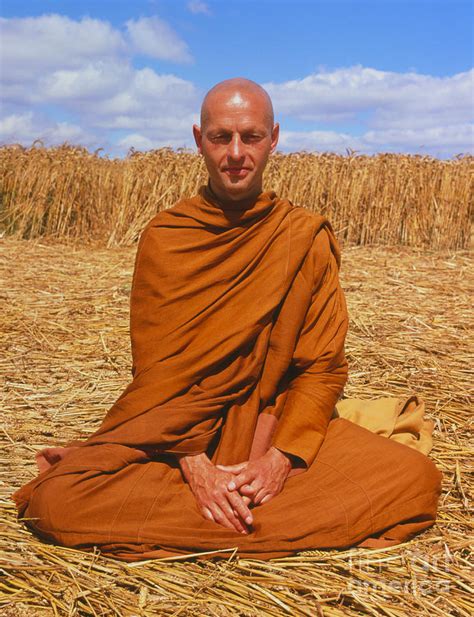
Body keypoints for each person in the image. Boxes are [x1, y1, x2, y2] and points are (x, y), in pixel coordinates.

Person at [13, 78, 442, 561]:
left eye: (251, 137)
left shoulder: (302, 237)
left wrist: (280, 460)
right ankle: (254, 523)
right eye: (221, 137)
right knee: (56, 501)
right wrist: (198, 471)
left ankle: (216, 518)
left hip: (272, 424)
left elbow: (320, 368)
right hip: (179, 434)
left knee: (414, 479)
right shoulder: (167, 238)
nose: (236, 152)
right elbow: (157, 379)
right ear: (199, 140)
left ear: (273, 138)